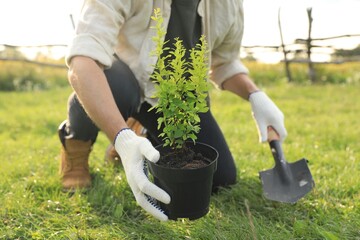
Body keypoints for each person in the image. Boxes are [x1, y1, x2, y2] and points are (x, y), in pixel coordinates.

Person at [58, 0, 287, 222]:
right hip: (127, 80)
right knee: (113, 82)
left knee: (220, 177)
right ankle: (77, 146)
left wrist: (255, 95)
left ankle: (141, 131)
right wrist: (122, 139)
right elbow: (83, 58)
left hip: (176, 100)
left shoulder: (229, 3)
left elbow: (225, 63)